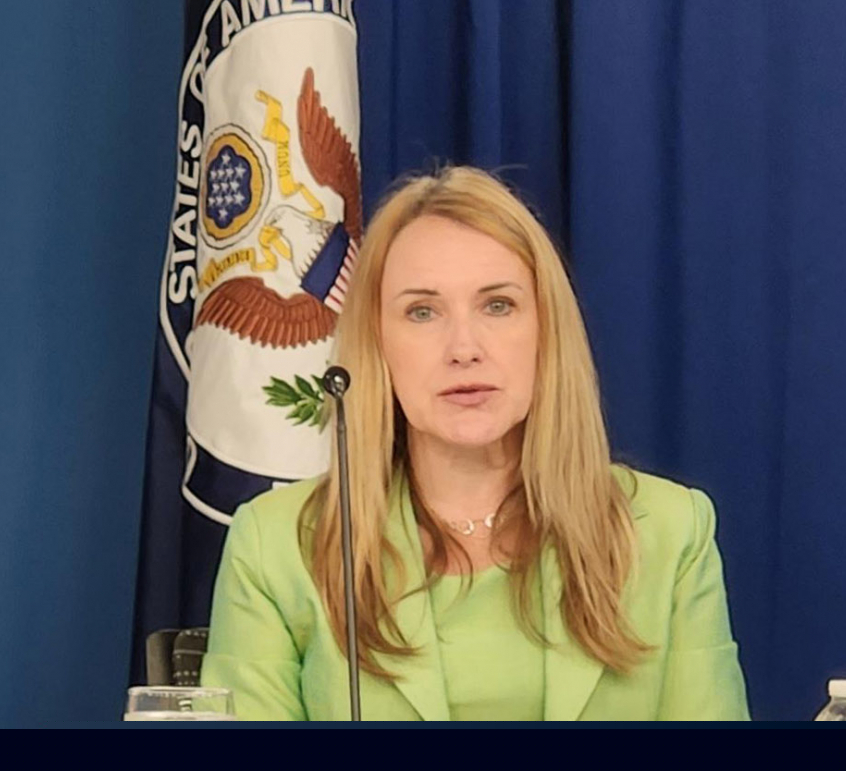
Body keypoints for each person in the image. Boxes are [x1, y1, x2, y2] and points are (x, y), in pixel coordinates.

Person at [200, 166, 751, 721]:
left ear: (546, 331)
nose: (464, 347)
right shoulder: (279, 547)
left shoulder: (670, 531)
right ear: (378, 345)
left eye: (497, 305)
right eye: (422, 311)